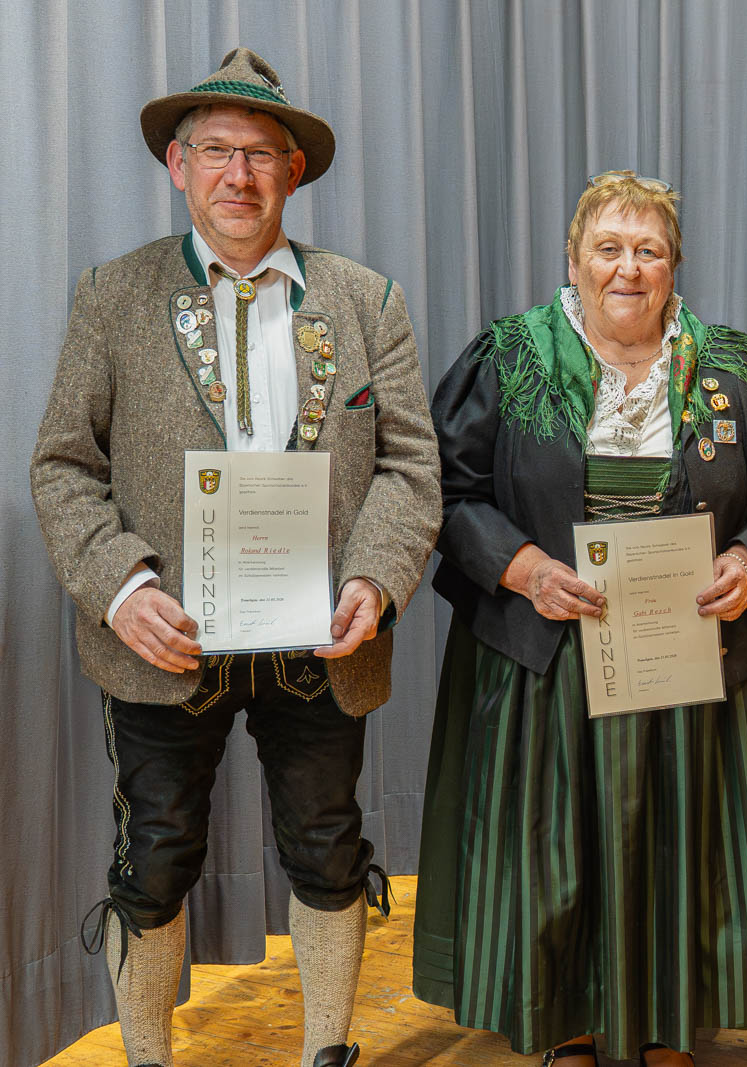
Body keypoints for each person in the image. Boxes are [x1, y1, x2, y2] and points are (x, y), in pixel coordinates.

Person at [29, 48, 442, 1067]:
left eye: (261, 153)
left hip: (320, 635)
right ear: (178, 165)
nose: (239, 175)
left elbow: (410, 468)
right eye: (216, 150)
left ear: (294, 172)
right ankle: (144, 1054)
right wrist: (121, 587)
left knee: (327, 846)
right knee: (155, 857)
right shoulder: (110, 296)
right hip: (165, 636)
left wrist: (375, 580)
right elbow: (62, 466)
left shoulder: (364, 301)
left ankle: (326, 1051)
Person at [414, 171, 747, 1066]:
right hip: (548, 654)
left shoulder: (736, 364)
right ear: (575, 260)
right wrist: (520, 568)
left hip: (697, 654)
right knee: (556, 851)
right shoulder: (509, 355)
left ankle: (667, 1021)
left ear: (675, 265)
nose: (628, 269)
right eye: (609, 248)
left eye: (649, 250)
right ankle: (566, 1021)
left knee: (681, 845)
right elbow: (444, 489)